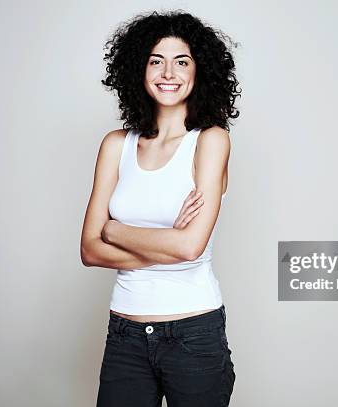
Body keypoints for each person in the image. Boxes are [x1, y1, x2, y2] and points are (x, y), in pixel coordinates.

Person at [79, 10, 241, 407]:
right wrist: (166, 242)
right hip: (124, 335)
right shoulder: (116, 145)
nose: (168, 72)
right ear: (139, 69)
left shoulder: (210, 140)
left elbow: (190, 248)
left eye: (182, 61)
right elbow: (88, 250)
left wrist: (115, 231)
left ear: (199, 71)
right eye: (156, 60)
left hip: (192, 335)